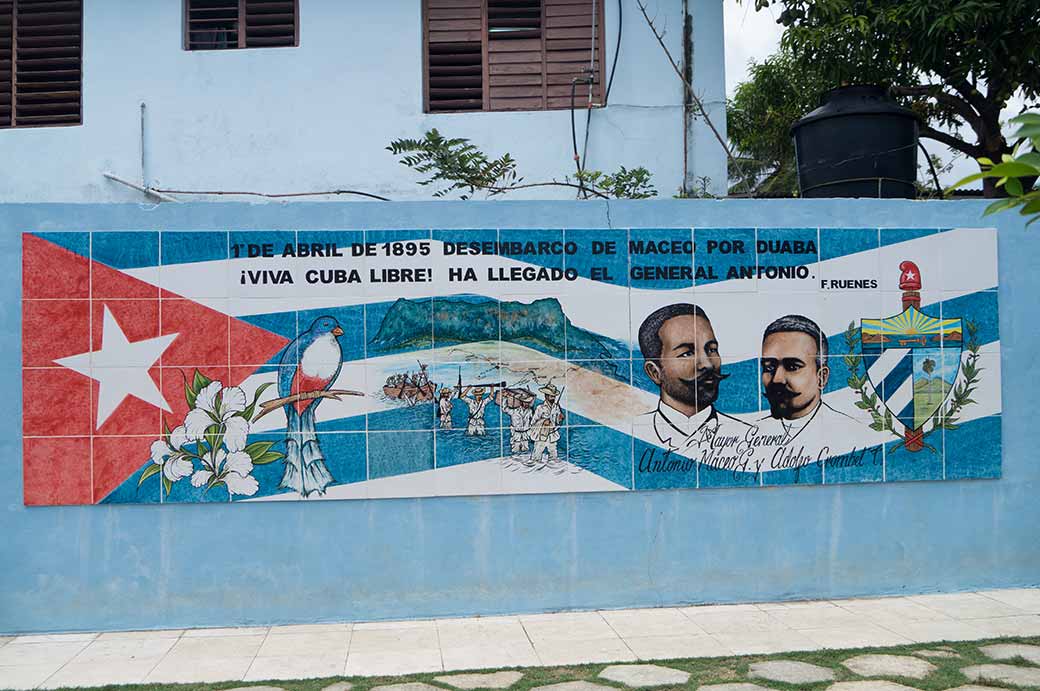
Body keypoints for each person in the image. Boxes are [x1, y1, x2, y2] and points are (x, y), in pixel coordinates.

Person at [636, 303, 748, 451]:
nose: (707, 364)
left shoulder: (748, 437)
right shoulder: (629, 437)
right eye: (687, 353)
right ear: (654, 372)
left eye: (712, 349)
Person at [759, 314, 859, 444]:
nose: (777, 379)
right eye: (769, 367)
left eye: (792, 367)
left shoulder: (850, 433)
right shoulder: (752, 432)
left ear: (821, 377)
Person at [531, 384, 564, 462]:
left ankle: (553, 464)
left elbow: (557, 421)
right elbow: (533, 423)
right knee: (538, 450)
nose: (553, 398)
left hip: (552, 433)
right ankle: (535, 463)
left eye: (554, 396)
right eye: (551, 396)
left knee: (553, 451)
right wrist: (543, 421)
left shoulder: (556, 407)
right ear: (546, 396)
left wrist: (559, 418)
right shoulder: (540, 408)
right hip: (542, 433)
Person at [503, 391, 534, 456]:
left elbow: (533, 421)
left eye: (528, 402)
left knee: (526, 450)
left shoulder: (530, 411)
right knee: (515, 450)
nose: (527, 404)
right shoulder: (514, 411)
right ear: (521, 402)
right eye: (525, 402)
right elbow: (504, 409)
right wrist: (505, 398)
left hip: (526, 434)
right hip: (516, 434)